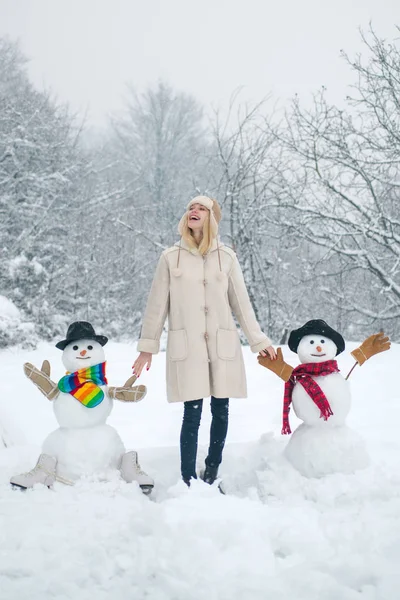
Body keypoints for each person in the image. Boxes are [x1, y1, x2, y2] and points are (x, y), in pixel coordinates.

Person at [132, 196, 276, 487]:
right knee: (192, 411)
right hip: (188, 346)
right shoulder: (170, 257)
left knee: (221, 408)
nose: (193, 211)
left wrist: (259, 341)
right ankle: (187, 475)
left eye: (200, 208)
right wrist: (147, 348)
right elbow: (156, 306)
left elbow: (241, 304)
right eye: (189, 208)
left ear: (211, 218)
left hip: (222, 345)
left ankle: (212, 467)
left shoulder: (227, 258)